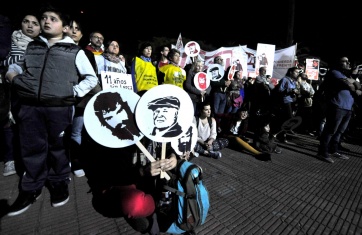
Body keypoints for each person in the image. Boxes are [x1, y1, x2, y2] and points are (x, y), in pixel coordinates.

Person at [5, 3, 99, 216]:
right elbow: (20, 67)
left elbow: (91, 78)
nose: (46, 21)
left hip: (59, 109)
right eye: (44, 18)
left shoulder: (74, 51)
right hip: (30, 107)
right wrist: (13, 74)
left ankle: (58, 182)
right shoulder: (33, 46)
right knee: (31, 148)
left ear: (65, 28)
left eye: (53, 19)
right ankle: (31, 187)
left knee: (58, 147)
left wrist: (71, 92)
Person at [1, 13, 41, 177]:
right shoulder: (9, 40)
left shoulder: (41, 45)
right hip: (8, 89)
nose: (30, 26)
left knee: (28, 126)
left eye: (34, 23)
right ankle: (10, 159)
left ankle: (27, 162)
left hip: (31, 92)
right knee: (8, 124)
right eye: (26, 22)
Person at [66, 16, 102, 178]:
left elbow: (91, 78)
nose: (74, 31)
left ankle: (75, 161)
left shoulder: (86, 55)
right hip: (58, 100)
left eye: (77, 29)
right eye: (71, 27)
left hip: (80, 100)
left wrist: (101, 95)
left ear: (81, 35)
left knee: (76, 132)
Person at [316, 56, 361, 163]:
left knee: (340, 131)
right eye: (345, 61)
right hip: (337, 106)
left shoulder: (346, 75)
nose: (348, 63)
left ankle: (333, 150)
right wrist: (354, 84)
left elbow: (358, 86)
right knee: (330, 130)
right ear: (338, 63)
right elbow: (352, 87)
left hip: (347, 107)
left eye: (348, 61)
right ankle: (322, 152)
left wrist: (353, 81)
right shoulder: (334, 72)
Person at [249, 67, 282, 154]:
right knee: (260, 125)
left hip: (265, 105)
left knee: (264, 124)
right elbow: (263, 86)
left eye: (265, 70)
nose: (264, 72)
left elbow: (271, 88)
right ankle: (260, 144)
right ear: (260, 71)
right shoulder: (259, 79)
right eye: (263, 70)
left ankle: (262, 143)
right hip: (259, 104)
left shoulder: (266, 80)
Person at [270, 66, 300, 143]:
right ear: (291, 72)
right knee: (289, 119)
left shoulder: (293, 81)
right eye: (296, 72)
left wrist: (296, 92)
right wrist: (291, 90)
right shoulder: (285, 80)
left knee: (285, 119)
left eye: (298, 72)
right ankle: (274, 134)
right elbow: (280, 90)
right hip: (285, 102)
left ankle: (281, 135)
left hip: (292, 101)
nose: (297, 73)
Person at [209, 56, 231, 129]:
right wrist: (224, 83)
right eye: (217, 59)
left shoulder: (224, 72)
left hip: (224, 94)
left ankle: (218, 127)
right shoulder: (212, 70)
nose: (219, 61)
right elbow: (213, 82)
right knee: (215, 112)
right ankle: (212, 127)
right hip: (217, 93)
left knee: (220, 113)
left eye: (221, 59)